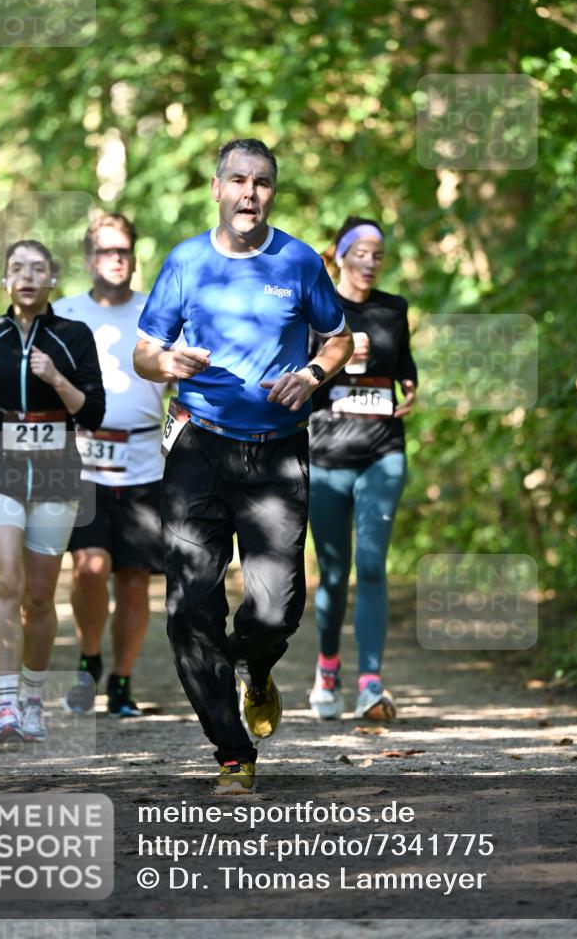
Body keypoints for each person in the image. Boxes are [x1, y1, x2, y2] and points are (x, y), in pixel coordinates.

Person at [134, 138, 353, 793]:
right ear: (217, 187)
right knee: (190, 602)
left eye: (261, 183)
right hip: (197, 444)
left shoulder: (297, 260)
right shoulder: (185, 262)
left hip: (277, 455)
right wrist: (165, 364)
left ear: (271, 193)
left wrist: (313, 373)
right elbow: (146, 350)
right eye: (238, 179)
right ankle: (232, 750)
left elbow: (338, 337)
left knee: (274, 607)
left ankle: (255, 670)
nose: (249, 193)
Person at [0, 240, 105, 745]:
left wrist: (56, 378)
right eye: (18, 268)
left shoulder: (72, 335)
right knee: (7, 582)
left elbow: (93, 412)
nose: (28, 276)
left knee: (39, 597)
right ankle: (4, 706)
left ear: (53, 280)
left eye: (38, 269)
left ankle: (34, 699)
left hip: (57, 466)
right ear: (5, 281)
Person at [54, 214, 167, 718]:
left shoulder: (157, 311)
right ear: (88, 260)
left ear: (134, 256)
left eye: (123, 250)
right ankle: (89, 655)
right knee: (90, 566)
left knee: (135, 578)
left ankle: (121, 681)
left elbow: (182, 383)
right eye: (105, 251)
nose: (115, 259)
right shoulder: (64, 313)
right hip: (83, 460)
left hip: (145, 461)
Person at [307, 216, 417, 722]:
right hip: (328, 454)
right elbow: (297, 375)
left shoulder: (394, 309)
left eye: (379, 254)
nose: (370, 262)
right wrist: (341, 361)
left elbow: (405, 363)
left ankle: (372, 683)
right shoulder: (317, 309)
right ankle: (328, 668)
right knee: (334, 572)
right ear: (341, 254)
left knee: (372, 564)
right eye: (362, 252)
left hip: (382, 451)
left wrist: (410, 386)